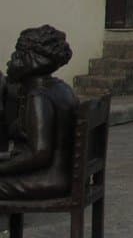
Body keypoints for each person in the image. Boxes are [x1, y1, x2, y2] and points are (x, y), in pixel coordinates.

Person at [0, 25, 79, 198]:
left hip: (47, 179)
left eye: (18, 54)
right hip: (61, 175)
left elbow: (40, 154)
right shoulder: (61, 88)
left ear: (31, 60)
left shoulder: (38, 96)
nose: (11, 60)